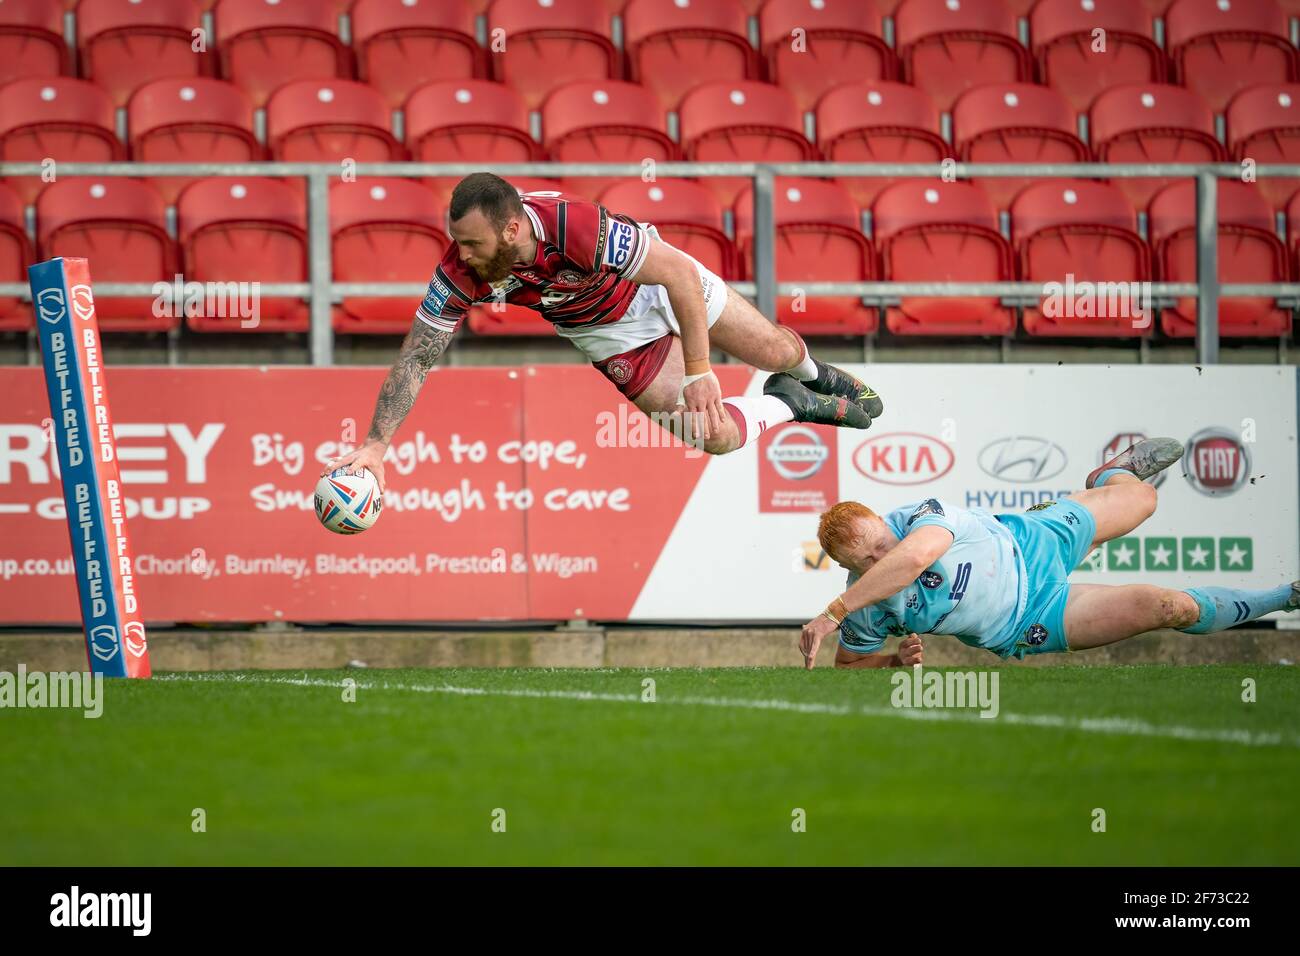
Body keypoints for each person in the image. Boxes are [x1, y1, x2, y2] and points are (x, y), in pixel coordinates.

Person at [323, 172, 882, 490]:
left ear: (513, 228)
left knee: (777, 348)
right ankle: (792, 403)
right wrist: (376, 445)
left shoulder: (574, 226)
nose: (462, 255)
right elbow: (416, 360)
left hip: (658, 286)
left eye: (473, 244)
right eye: (459, 244)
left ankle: (814, 374)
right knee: (713, 437)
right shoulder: (458, 273)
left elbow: (680, 275)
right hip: (609, 335)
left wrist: (700, 371)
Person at [799, 438, 1300, 669]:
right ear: (846, 570)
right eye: (864, 562)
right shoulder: (863, 604)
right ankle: (1284, 596)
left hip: (1032, 541)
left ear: (886, 522)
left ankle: (1106, 478)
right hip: (1030, 621)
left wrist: (832, 613)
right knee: (1168, 607)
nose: (880, 559)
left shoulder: (918, 516)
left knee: (1145, 498)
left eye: (881, 543)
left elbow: (911, 559)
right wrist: (892, 664)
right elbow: (848, 667)